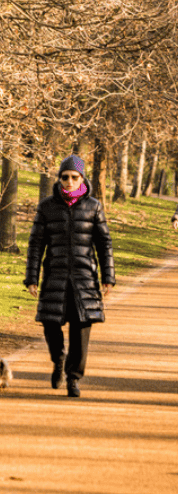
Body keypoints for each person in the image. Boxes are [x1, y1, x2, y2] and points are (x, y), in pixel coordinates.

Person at [24, 155, 115, 398]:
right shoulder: (47, 207)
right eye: (65, 177)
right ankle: (58, 359)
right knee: (50, 324)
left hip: (84, 279)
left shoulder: (94, 206)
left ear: (82, 178)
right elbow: (35, 244)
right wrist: (31, 277)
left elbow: (104, 243)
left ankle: (73, 378)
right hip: (55, 276)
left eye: (74, 177)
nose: (69, 181)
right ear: (59, 178)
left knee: (81, 329)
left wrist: (108, 276)